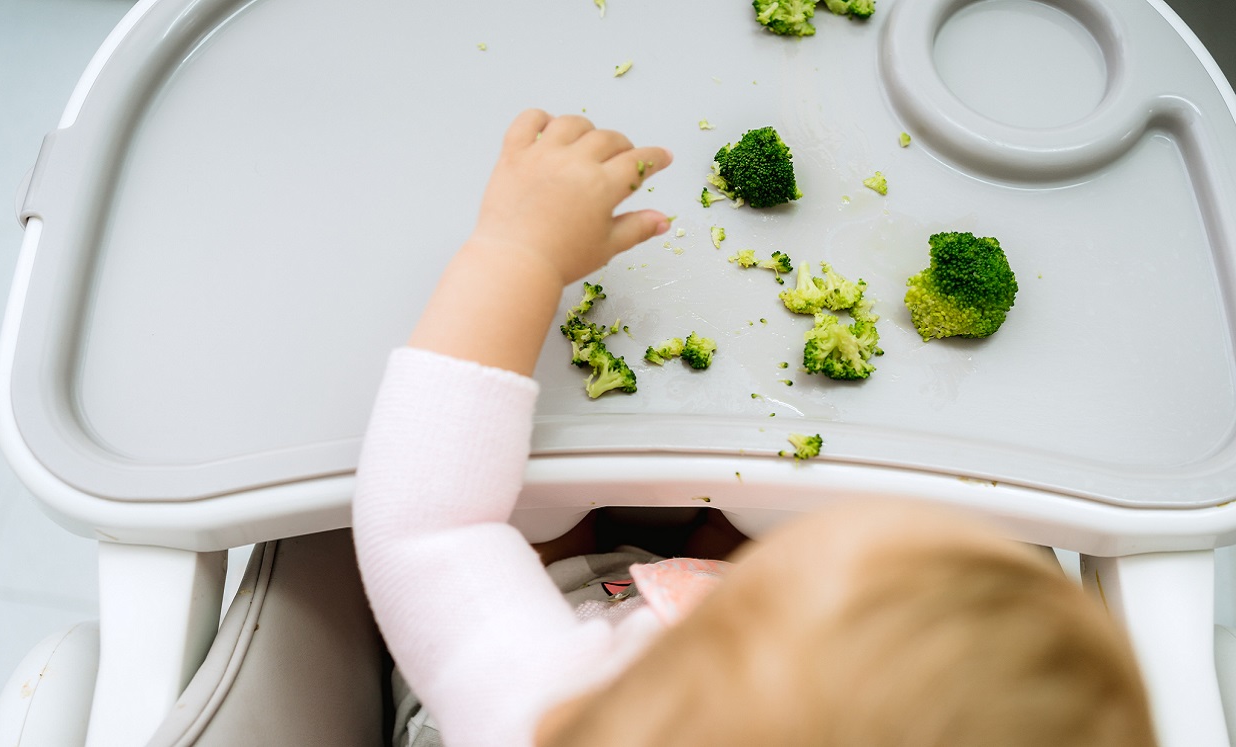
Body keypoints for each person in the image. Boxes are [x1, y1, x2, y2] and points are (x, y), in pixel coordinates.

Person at [352, 109, 1156, 747]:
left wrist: (516, 253)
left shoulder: (540, 716)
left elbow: (428, 525)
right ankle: (713, 545)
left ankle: (620, 547)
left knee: (540, 522)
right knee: (743, 527)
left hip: (553, 639)